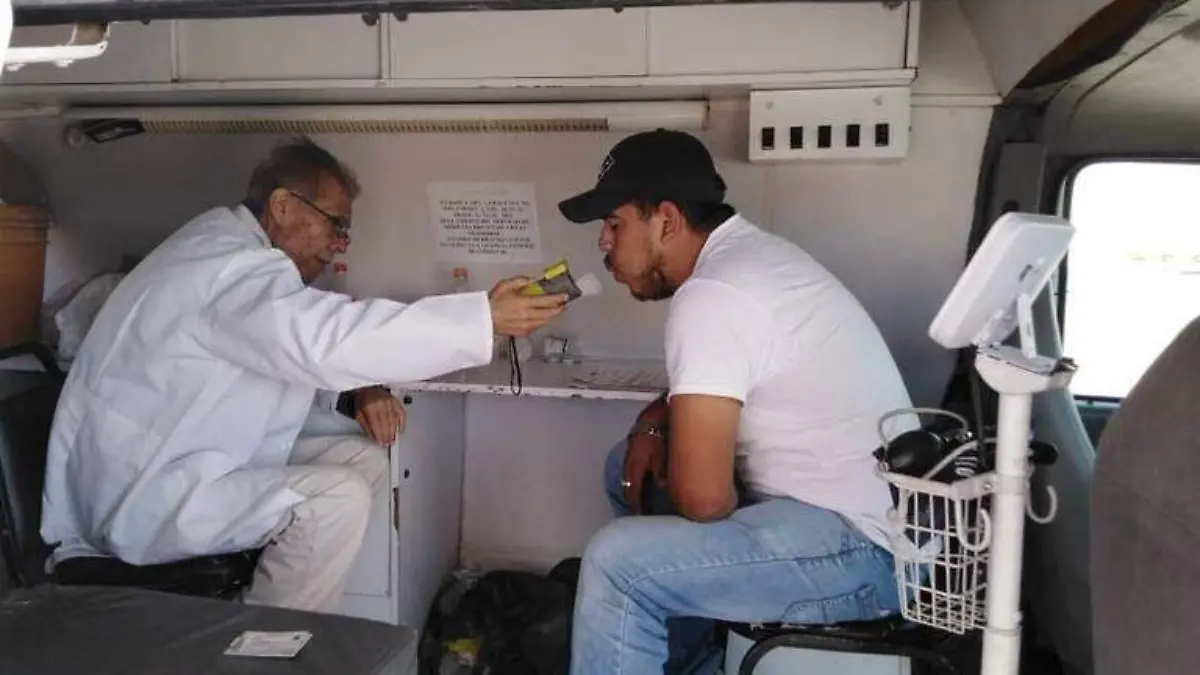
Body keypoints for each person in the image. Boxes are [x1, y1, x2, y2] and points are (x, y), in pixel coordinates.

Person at [40, 137, 568, 613]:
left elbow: (284, 357)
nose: (341, 243)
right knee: (335, 500)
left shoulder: (226, 250)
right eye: (335, 224)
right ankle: (261, 650)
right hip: (139, 498)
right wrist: (482, 317)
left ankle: (278, 605)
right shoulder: (230, 268)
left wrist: (359, 389)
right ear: (283, 205)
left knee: (364, 460)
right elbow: (321, 340)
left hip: (180, 458)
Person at [557, 129, 919, 674]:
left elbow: (705, 501)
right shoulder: (749, 260)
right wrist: (653, 423)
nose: (604, 243)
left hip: (865, 554)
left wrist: (699, 478)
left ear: (667, 221)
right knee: (626, 469)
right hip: (855, 521)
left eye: (614, 223)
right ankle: (690, 662)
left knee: (618, 564)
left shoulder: (714, 295)